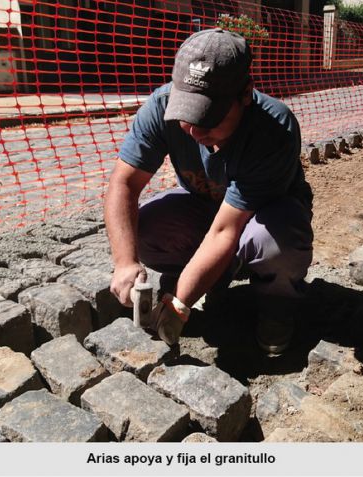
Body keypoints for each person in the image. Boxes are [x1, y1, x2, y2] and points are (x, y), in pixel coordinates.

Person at [104, 28, 313, 354]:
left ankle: (277, 303)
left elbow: (227, 229)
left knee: (275, 242)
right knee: (145, 227)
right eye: (187, 114)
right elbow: (124, 183)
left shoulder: (274, 128)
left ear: (245, 94)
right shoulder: (159, 107)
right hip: (211, 210)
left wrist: (180, 305)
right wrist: (125, 262)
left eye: (209, 117)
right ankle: (211, 277)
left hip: (263, 219)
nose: (195, 129)